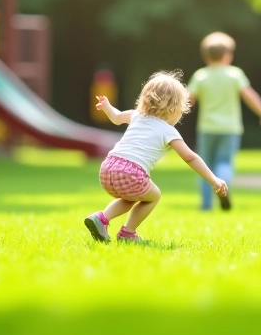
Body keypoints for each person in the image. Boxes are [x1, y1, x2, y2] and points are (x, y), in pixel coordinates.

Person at [84, 71, 228, 243]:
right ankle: (128, 233)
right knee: (154, 196)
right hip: (131, 172)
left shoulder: (137, 116)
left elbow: (116, 117)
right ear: (174, 109)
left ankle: (101, 218)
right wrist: (213, 179)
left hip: (107, 168)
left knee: (132, 196)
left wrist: (107, 107)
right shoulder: (168, 131)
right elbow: (190, 157)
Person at [188, 32, 261, 211]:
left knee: (204, 165)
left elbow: (188, 100)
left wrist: (170, 117)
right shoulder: (234, 74)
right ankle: (224, 191)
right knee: (224, 162)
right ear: (228, 56)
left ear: (206, 56)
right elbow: (250, 96)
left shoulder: (201, 76)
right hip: (230, 128)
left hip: (207, 127)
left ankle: (206, 204)